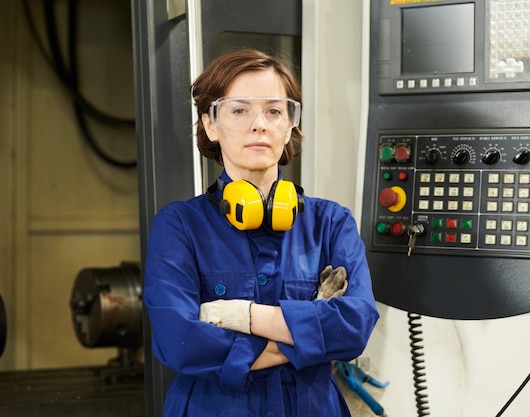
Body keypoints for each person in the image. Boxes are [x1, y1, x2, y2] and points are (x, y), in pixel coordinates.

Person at [143, 48, 379, 417]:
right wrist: (313, 324)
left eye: (274, 110)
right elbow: (181, 342)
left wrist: (241, 315)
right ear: (210, 124)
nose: (259, 124)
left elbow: (354, 328)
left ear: (289, 126)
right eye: (239, 110)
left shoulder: (331, 223)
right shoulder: (178, 226)